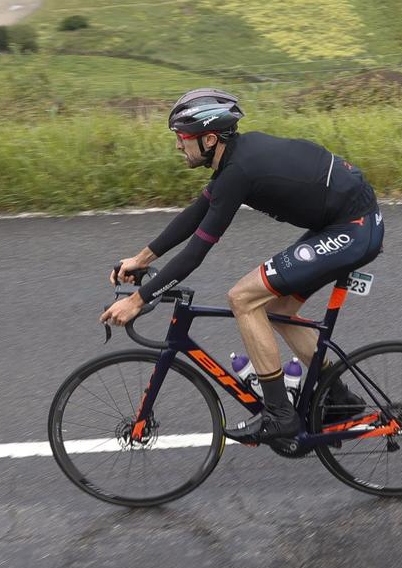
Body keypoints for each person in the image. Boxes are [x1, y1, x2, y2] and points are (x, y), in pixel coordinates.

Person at [99, 88, 382, 441]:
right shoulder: (235, 159)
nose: (177, 146)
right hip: (344, 222)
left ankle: (281, 415)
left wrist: (137, 300)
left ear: (210, 139)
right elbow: (195, 215)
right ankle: (339, 398)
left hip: (353, 229)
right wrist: (139, 260)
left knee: (244, 299)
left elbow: (195, 254)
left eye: (182, 138)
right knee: (279, 307)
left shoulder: (240, 171)